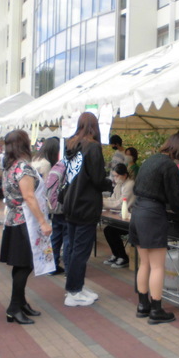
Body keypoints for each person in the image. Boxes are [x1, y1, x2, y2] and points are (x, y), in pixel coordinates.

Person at [129, 134, 179, 324]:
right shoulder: (170, 166)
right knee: (158, 266)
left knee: (144, 263)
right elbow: (177, 203)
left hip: (138, 211)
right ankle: (157, 310)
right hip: (152, 215)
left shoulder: (150, 160)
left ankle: (143, 306)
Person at [0, 129, 52, 324]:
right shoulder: (23, 167)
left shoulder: (9, 166)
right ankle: (14, 307)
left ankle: (20, 303)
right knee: (25, 264)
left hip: (13, 220)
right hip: (25, 223)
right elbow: (29, 196)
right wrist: (43, 222)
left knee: (21, 264)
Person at [62, 113, 113, 307]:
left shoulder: (70, 146)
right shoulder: (93, 148)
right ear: (95, 127)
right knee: (81, 251)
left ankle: (75, 287)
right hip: (86, 205)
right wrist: (110, 184)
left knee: (75, 248)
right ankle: (74, 292)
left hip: (70, 203)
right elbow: (98, 179)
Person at [102, 163, 135, 269]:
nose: (115, 178)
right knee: (108, 230)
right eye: (114, 176)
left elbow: (121, 204)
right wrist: (104, 201)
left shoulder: (130, 184)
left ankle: (122, 256)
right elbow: (112, 199)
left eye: (117, 176)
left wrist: (102, 202)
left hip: (131, 219)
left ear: (124, 175)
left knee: (111, 231)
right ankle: (117, 254)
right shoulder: (119, 185)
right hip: (122, 217)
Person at [45, 157, 67, 275]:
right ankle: (69, 269)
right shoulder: (72, 167)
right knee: (68, 239)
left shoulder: (57, 166)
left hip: (54, 207)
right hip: (65, 208)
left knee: (55, 238)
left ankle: (52, 266)